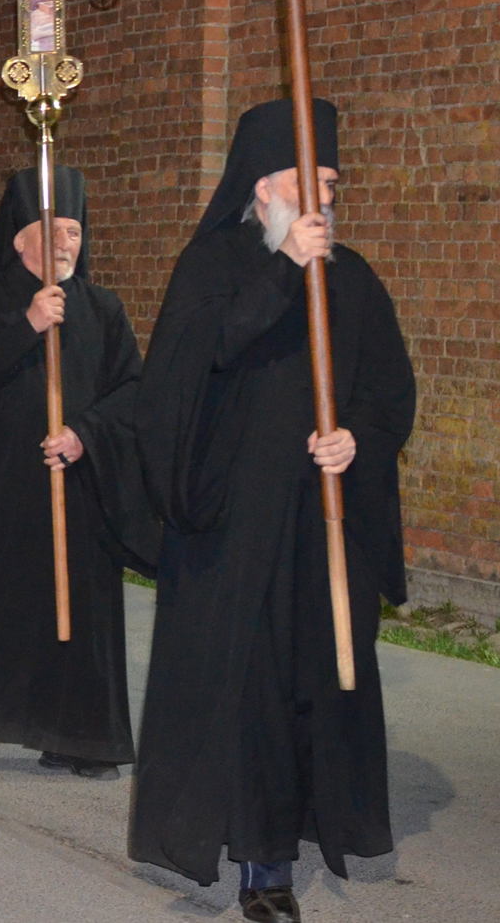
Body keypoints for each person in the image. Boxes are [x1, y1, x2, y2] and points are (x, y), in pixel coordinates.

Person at [129, 99, 416, 921]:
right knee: (253, 692)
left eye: (332, 182)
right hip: (236, 529)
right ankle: (265, 864)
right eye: (310, 180)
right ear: (263, 186)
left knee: (314, 686)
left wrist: (356, 439)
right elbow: (192, 369)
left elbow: (391, 391)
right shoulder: (214, 265)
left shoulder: (352, 278)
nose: (325, 196)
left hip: (322, 525)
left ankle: (320, 821)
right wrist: (284, 268)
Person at [0, 167, 156, 776]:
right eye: (53, 232)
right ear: (21, 238)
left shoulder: (102, 309)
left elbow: (132, 391)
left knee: (78, 612)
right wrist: (27, 325)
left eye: (74, 232)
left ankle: (79, 736)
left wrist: (85, 435)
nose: (66, 244)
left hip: (76, 487)